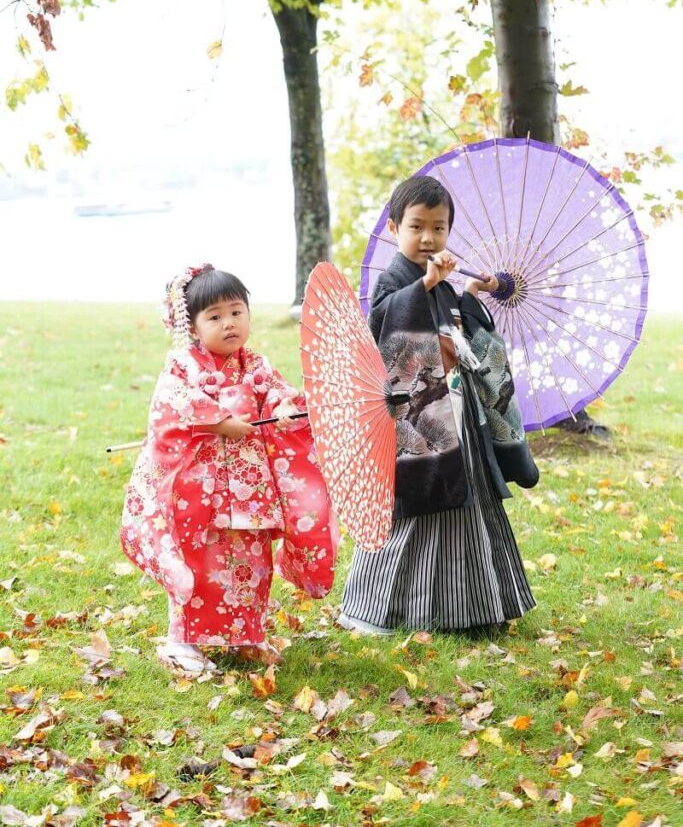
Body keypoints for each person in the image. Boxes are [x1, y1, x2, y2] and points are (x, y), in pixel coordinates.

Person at [339, 176, 537, 635]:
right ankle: (378, 609)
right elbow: (386, 324)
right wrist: (424, 287)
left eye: (439, 227)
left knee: (466, 504)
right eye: (417, 226)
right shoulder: (395, 281)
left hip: (459, 411)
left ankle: (472, 608)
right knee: (419, 504)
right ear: (393, 227)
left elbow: (458, 332)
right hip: (421, 419)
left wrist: (466, 296)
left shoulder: (447, 281)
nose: (428, 237)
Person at [121, 264, 337, 674]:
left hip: (250, 488)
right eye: (214, 316)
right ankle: (182, 642)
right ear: (193, 326)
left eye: (236, 312)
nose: (229, 323)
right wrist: (219, 420)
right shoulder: (184, 365)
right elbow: (171, 402)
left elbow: (276, 392)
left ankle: (245, 634)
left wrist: (286, 409)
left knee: (251, 563)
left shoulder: (254, 364)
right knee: (201, 563)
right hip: (202, 491)